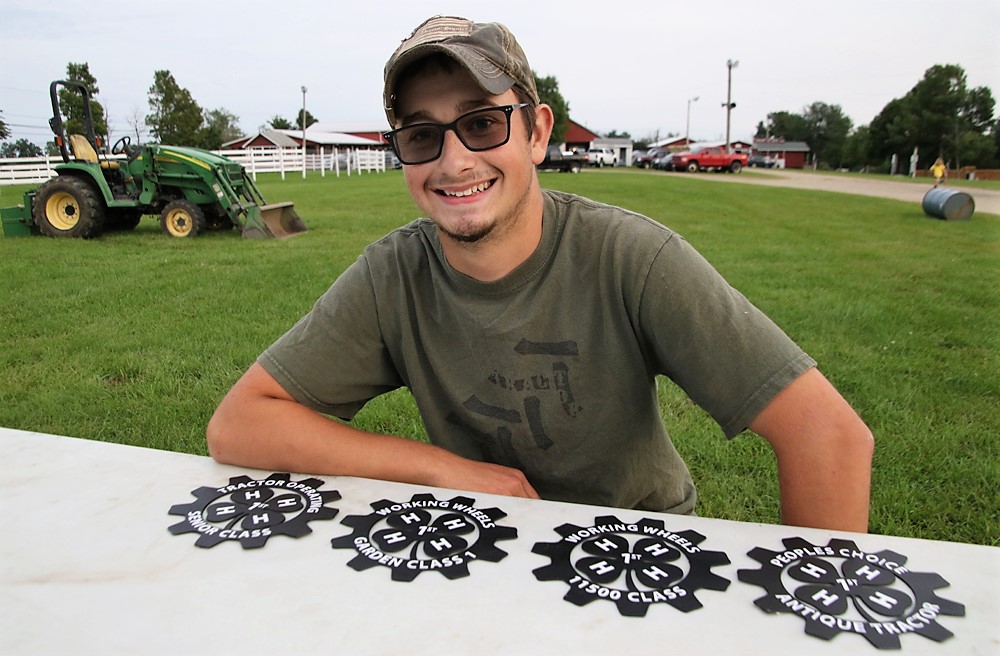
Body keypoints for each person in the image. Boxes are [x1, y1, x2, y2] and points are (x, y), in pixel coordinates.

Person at [207, 16, 874, 532]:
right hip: (485, 542)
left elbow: (827, 432)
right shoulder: (395, 276)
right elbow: (239, 425)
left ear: (535, 131)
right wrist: (443, 471)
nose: (454, 160)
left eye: (482, 123)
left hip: (637, 544)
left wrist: (813, 614)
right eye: (421, 136)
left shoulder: (631, 257)